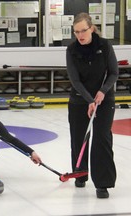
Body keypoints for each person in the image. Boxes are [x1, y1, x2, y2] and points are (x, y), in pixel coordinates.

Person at [66, 12, 118, 199]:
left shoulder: (105, 46)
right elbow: (75, 80)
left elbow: (114, 73)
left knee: (101, 139)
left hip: (104, 100)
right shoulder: (71, 50)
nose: (80, 35)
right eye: (76, 32)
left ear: (92, 29)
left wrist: (102, 91)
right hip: (80, 100)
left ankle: (102, 183)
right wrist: (89, 100)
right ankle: (80, 173)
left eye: (83, 31)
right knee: (78, 138)